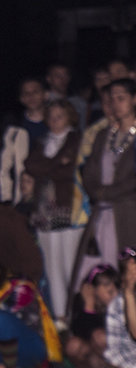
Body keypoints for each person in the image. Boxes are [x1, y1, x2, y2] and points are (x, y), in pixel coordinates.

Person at [22, 98, 83, 325]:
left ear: (69, 117)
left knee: (69, 265)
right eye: (51, 116)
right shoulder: (41, 141)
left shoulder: (76, 139)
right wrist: (57, 163)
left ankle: (75, 316)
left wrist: (48, 167)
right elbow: (30, 165)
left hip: (67, 210)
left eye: (59, 116)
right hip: (44, 211)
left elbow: (70, 171)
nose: (54, 121)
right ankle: (59, 319)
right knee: (52, 265)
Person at [77, 78, 136, 281]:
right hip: (100, 213)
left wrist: (108, 192)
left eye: (121, 98)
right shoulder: (104, 135)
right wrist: (96, 190)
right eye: (112, 99)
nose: (116, 104)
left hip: (128, 214)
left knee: (124, 271)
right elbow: (90, 170)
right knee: (90, 270)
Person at [84, 249, 136, 368]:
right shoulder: (117, 305)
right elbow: (116, 352)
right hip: (128, 366)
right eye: (131, 272)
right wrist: (128, 294)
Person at [0, 77, 47, 205]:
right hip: (22, 194)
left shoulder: (56, 124)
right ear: (21, 98)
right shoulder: (14, 126)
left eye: (35, 92)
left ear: (45, 94)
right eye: (26, 93)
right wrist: (6, 198)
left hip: (50, 192)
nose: (31, 96)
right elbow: (4, 165)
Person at [64, 265, 117, 368]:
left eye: (116, 289)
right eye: (110, 291)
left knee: (100, 337)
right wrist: (89, 307)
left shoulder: (121, 303)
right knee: (73, 345)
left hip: (119, 354)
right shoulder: (81, 300)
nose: (115, 294)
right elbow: (79, 331)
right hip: (96, 355)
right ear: (94, 290)